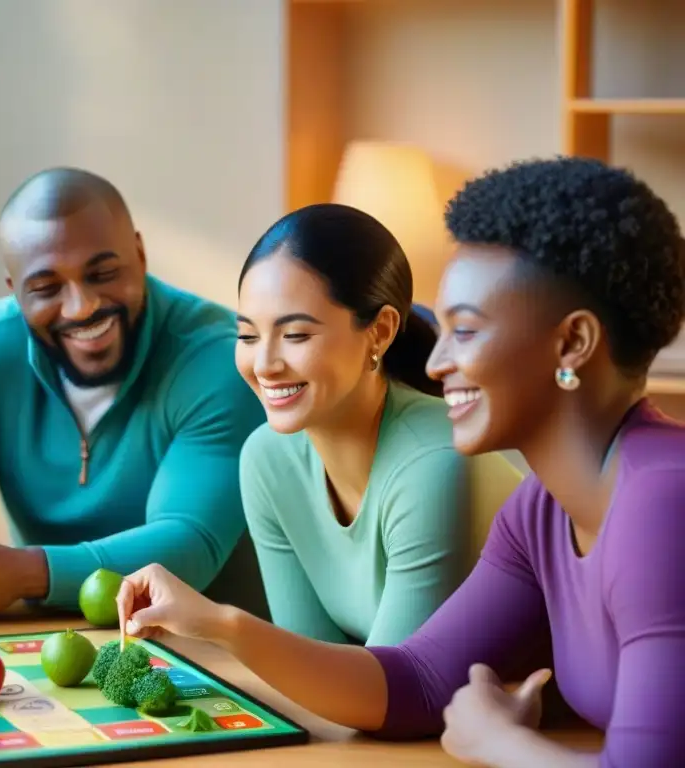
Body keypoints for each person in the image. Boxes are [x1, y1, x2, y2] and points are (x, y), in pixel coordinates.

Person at [116, 156, 685, 767]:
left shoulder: (662, 502)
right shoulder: (539, 511)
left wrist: (501, 742)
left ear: (571, 343)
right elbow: (414, 682)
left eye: (464, 331)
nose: (435, 363)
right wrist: (221, 624)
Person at [0, 167, 270, 619]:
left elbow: (188, 542)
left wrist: (25, 572)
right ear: (14, 291)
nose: (82, 306)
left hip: (214, 653)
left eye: (103, 273)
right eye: (46, 288)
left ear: (139, 253)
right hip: (55, 648)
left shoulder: (217, 358)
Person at [233, 203, 522, 646]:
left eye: (295, 335)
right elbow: (313, 668)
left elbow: (397, 691)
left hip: (554, 709)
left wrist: (224, 627)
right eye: (249, 336)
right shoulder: (267, 458)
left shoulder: (434, 461)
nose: (265, 364)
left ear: (380, 331)